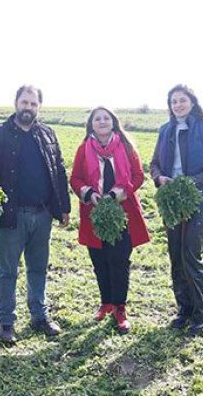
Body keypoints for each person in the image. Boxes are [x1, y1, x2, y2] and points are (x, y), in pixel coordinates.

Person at [0, 85, 71, 343]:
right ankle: (6, 322)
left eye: (33, 103)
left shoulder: (48, 134)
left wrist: (64, 207)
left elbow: (59, 171)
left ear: (39, 106)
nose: (28, 107)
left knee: (38, 268)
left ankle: (39, 316)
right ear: (16, 102)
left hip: (42, 215)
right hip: (10, 216)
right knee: (7, 270)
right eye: (24, 102)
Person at [150, 84, 203, 336]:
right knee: (175, 255)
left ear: (192, 102)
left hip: (198, 200)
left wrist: (192, 182)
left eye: (182, 100)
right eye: (173, 102)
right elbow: (155, 164)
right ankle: (183, 310)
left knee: (191, 257)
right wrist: (160, 179)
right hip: (172, 202)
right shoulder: (165, 130)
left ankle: (200, 316)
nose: (178, 105)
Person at [69, 107, 150, 334]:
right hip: (94, 213)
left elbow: (138, 175)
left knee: (119, 259)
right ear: (91, 124)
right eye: (97, 118)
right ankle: (106, 303)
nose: (102, 121)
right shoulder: (84, 149)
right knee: (99, 259)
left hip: (122, 213)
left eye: (106, 118)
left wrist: (119, 193)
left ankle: (120, 308)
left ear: (113, 122)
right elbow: (75, 177)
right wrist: (88, 194)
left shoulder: (125, 146)